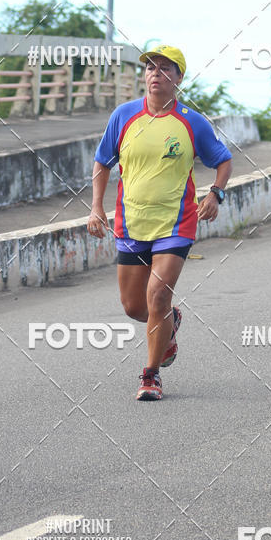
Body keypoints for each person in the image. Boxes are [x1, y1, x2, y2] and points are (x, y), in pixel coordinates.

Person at [88, 45, 232, 400]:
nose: (155, 74)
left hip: (176, 224)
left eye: (165, 69)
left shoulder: (191, 121)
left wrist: (215, 193)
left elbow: (224, 161)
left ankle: (150, 375)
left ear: (179, 78)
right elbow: (102, 164)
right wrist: (96, 207)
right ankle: (170, 321)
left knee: (156, 295)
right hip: (130, 223)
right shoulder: (123, 116)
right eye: (150, 68)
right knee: (135, 307)